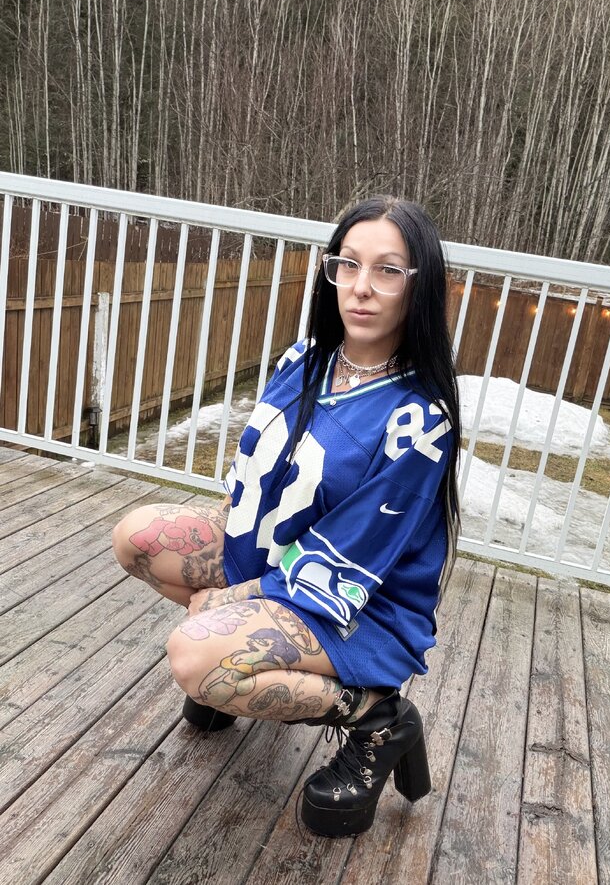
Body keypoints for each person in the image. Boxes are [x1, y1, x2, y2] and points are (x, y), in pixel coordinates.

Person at [111, 195, 462, 838]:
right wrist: (224, 556)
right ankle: (242, 660)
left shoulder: (418, 420)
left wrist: (230, 598)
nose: (361, 287)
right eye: (347, 264)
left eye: (387, 270)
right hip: (272, 558)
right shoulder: (305, 358)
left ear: (420, 286)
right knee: (136, 537)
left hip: (357, 604)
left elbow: (350, 557)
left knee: (194, 657)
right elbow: (254, 472)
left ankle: (376, 718)